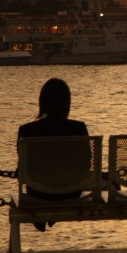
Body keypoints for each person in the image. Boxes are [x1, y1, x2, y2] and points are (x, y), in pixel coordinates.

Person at [17, 78, 89, 231]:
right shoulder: (78, 129)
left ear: (42, 102)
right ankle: (50, 216)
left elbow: (23, 165)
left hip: (38, 193)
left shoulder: (27, 131)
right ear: (67, 103)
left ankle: (45, 216)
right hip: (71, 193)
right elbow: (86, 163)